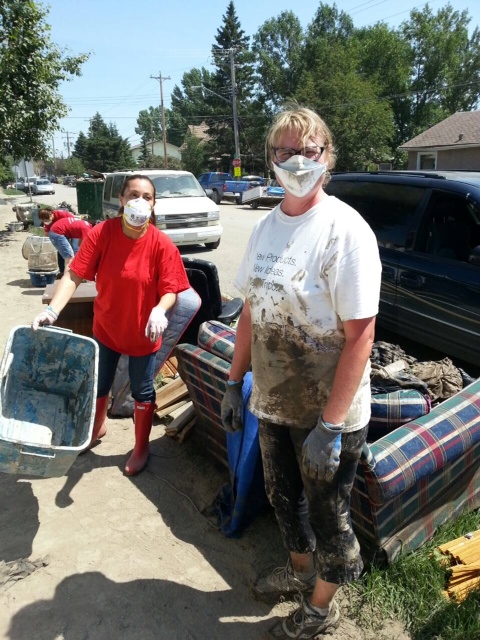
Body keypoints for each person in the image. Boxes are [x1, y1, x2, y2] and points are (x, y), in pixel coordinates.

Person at [221, 105, 381, 639]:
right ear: (270, 160)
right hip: (271, 402)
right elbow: (249, 312)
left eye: (307, 150)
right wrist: (230, 381)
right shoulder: (265, 228)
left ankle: (320, 609)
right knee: (283, 499)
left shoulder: (345, 231)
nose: (296, 160)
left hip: (327, 413)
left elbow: (361, 335)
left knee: (330, 516)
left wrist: (331, 426)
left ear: (326, 157)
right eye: (284, 151)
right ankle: (299, 573)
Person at [32, 174, 190, 476]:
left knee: (143, 392)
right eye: (133, 195)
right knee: (100, 383)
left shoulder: (162, 244)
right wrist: (52, 310)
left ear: (154, 204)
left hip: (144, 334)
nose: (139, 202)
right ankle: (98, 427)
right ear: (121, 199)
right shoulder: (102, 233)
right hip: (106, 329)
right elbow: (74, 275)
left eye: (147, 197)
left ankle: (141, 446)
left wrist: (160, 308)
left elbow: (171, 289)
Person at [38, 208, 77, 275]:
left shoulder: (61, 214)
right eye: (44, 220)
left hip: (73, 229)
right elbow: (47, 233)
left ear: (51, 214)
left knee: (75, 248)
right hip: (60, 233)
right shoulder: (47, 221)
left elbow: (75, 221)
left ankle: (78, 270)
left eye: (47, 219)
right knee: (60, 250)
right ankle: (62, 271)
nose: (46, 221)